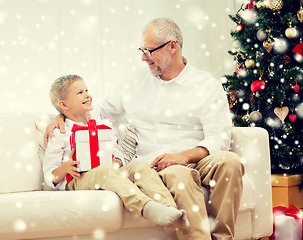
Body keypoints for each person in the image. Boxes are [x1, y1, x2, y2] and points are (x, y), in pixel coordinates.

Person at [45, 18, 244, 240]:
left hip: (196, 156)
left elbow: (220, 137)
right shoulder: (134, 81)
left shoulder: (206, 85)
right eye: (141, 50)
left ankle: (223, 238)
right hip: (155, 164)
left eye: (149, 51)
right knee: (179, 173)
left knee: (231, 162)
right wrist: (61, 114)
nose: (143, 58)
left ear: (172, 46)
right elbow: (97, 113)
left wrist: (183, 156)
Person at [43, 74, 189, 231]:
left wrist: (116, 161)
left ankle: (168, 209)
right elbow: (49, 175)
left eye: (87, 90)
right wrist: (65, 168)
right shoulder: (60, 133)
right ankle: (147, 207)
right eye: (80, 93)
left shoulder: (102, 125)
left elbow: (117, 153)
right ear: (64, 105)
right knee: (104, 171)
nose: (87, 94)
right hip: (78, 180)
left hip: (107, 172)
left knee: (141, 167)